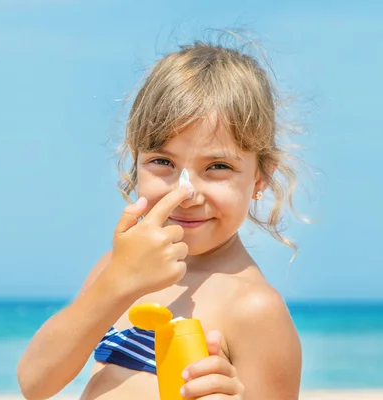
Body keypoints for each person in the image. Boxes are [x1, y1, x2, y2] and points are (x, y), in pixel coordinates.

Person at [17, 34, 306, 400]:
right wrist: (116, 283)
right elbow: (34, 382)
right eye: (163, 162)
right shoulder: (117, 267)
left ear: (260, 178)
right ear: (135, 161)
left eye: (218, 166)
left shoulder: (254, 309)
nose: (185, 193)